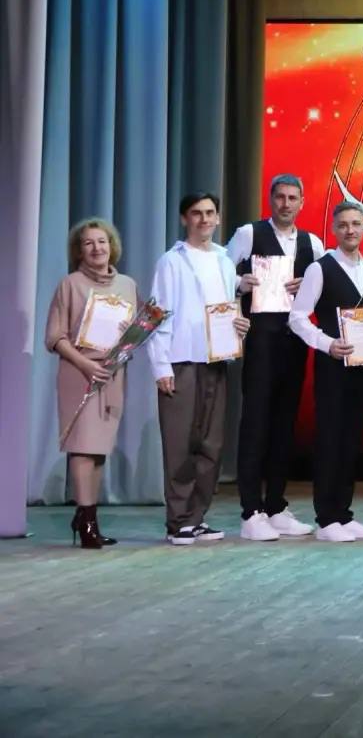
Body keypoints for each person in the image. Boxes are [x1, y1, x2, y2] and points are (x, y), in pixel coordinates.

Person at [226, 173, 325, 541]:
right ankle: (251, 511)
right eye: (280, 197)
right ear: (271, 199)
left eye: (292, 198)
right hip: (259, 340)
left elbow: (324, 289)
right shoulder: (248, 234)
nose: (286, 204)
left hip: (294, 342)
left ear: (302, 203)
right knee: (256, 422)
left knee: (285, 423)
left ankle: (276, 505)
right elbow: (219, 275)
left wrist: (308, 287)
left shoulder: (313, 243)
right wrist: (239, 283)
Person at [148, 193, 249, 546]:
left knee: (211, 444)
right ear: (184, 219)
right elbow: (158, 315)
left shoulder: (224, 261)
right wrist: (161, 366)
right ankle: (178, 521)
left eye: (210, 213)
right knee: (180, 443)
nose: (204, 219)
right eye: (196, 213)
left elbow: (227, 308)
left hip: (216, 359)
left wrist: (239, 325)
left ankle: (196, 517)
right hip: (181, 359)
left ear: (218, 218)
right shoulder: (171, 262)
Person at [289, 201, 363, 542]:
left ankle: (344, 514)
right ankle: (326, 519)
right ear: (334, 229)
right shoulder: (320, 269)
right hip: (332, 366)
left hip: (362, 368)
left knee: (351, 441)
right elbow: (297, 318)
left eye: (356, 224)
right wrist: (326, 343)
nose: (350, 230)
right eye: (344, 224)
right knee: (330, 439)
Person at [45, 218, 139, 548]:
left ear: (111, 246)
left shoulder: (127, 285)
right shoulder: (70, 284)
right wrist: (86, 365)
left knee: (99, 449)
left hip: (112, 373)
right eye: (88, 243)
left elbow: (134, 333)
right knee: (83, 446)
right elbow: (55, 337)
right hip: (79, 371)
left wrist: (129, 341)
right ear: (79, 251)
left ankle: (86, 517)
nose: (97, 248)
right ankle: (87, 524)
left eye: (102, 241)